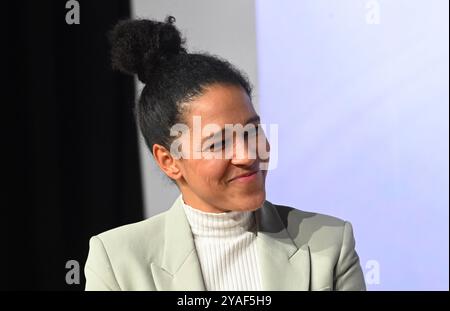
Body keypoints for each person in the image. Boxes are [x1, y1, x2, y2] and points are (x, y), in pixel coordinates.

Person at [84, 16, 366, 291]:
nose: (247, 155)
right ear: (169, 161)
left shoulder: (328, 244)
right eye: (218, 143)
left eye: (252, 131)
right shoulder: (118, 261)